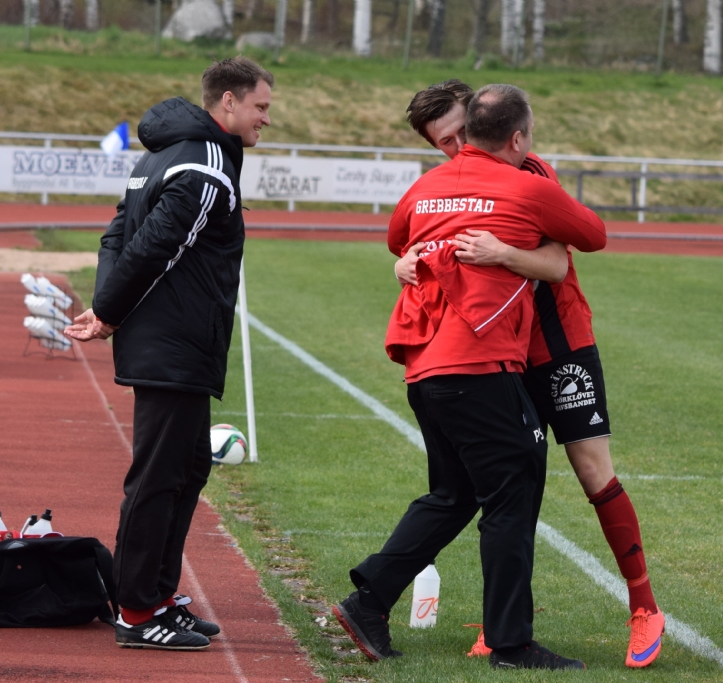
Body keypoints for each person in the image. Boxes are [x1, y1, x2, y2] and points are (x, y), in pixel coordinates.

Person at [332, 84, 607, 670]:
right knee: (513, 493)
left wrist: (412, 255)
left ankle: (369, 601)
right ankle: (510, 643)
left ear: (472, 125)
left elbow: (399, 238)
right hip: (479, 365)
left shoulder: (426, 187)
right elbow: (594, 236)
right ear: (518, 137)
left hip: (424, 370)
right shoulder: (529, 185)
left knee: (454, 494)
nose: (453, 145)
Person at [399, 79, 664, 669]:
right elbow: (412, 244)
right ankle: (503, 626)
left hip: (558, 340)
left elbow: (560, 260)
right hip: (496, 352)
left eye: (462, 134)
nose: (458, 149)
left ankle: (644, 606)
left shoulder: (530, 174)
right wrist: (403, 261)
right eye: (445, 143)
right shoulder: (452, 185)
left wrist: (501, 253)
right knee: (506, 483)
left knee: (592, 469)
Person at [64, 56, 273, 650]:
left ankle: (156, 595)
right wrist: (108, 312)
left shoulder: (163, 154)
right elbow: (156, 244)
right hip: (174, 342)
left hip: (173, 340)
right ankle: (136, 610)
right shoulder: (205, 162)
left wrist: (107, 304)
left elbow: (116, 234)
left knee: (186, 470)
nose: (265, 119)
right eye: (260, 107)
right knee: (159, 478)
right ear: (227, 101)